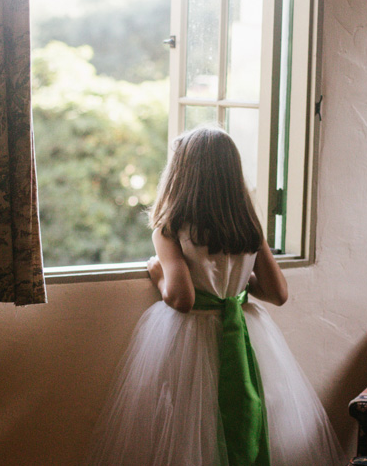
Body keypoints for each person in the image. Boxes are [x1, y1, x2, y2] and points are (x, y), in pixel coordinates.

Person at [86, 126, 347, 465]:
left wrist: (158, 275)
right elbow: (278, 292)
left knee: (194, 424)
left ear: (181, 174)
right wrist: (236, 284)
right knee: (247, 415)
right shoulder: (249, 226)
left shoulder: (170, 228)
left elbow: (182, 299)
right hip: (245, 334)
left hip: (192, 337)